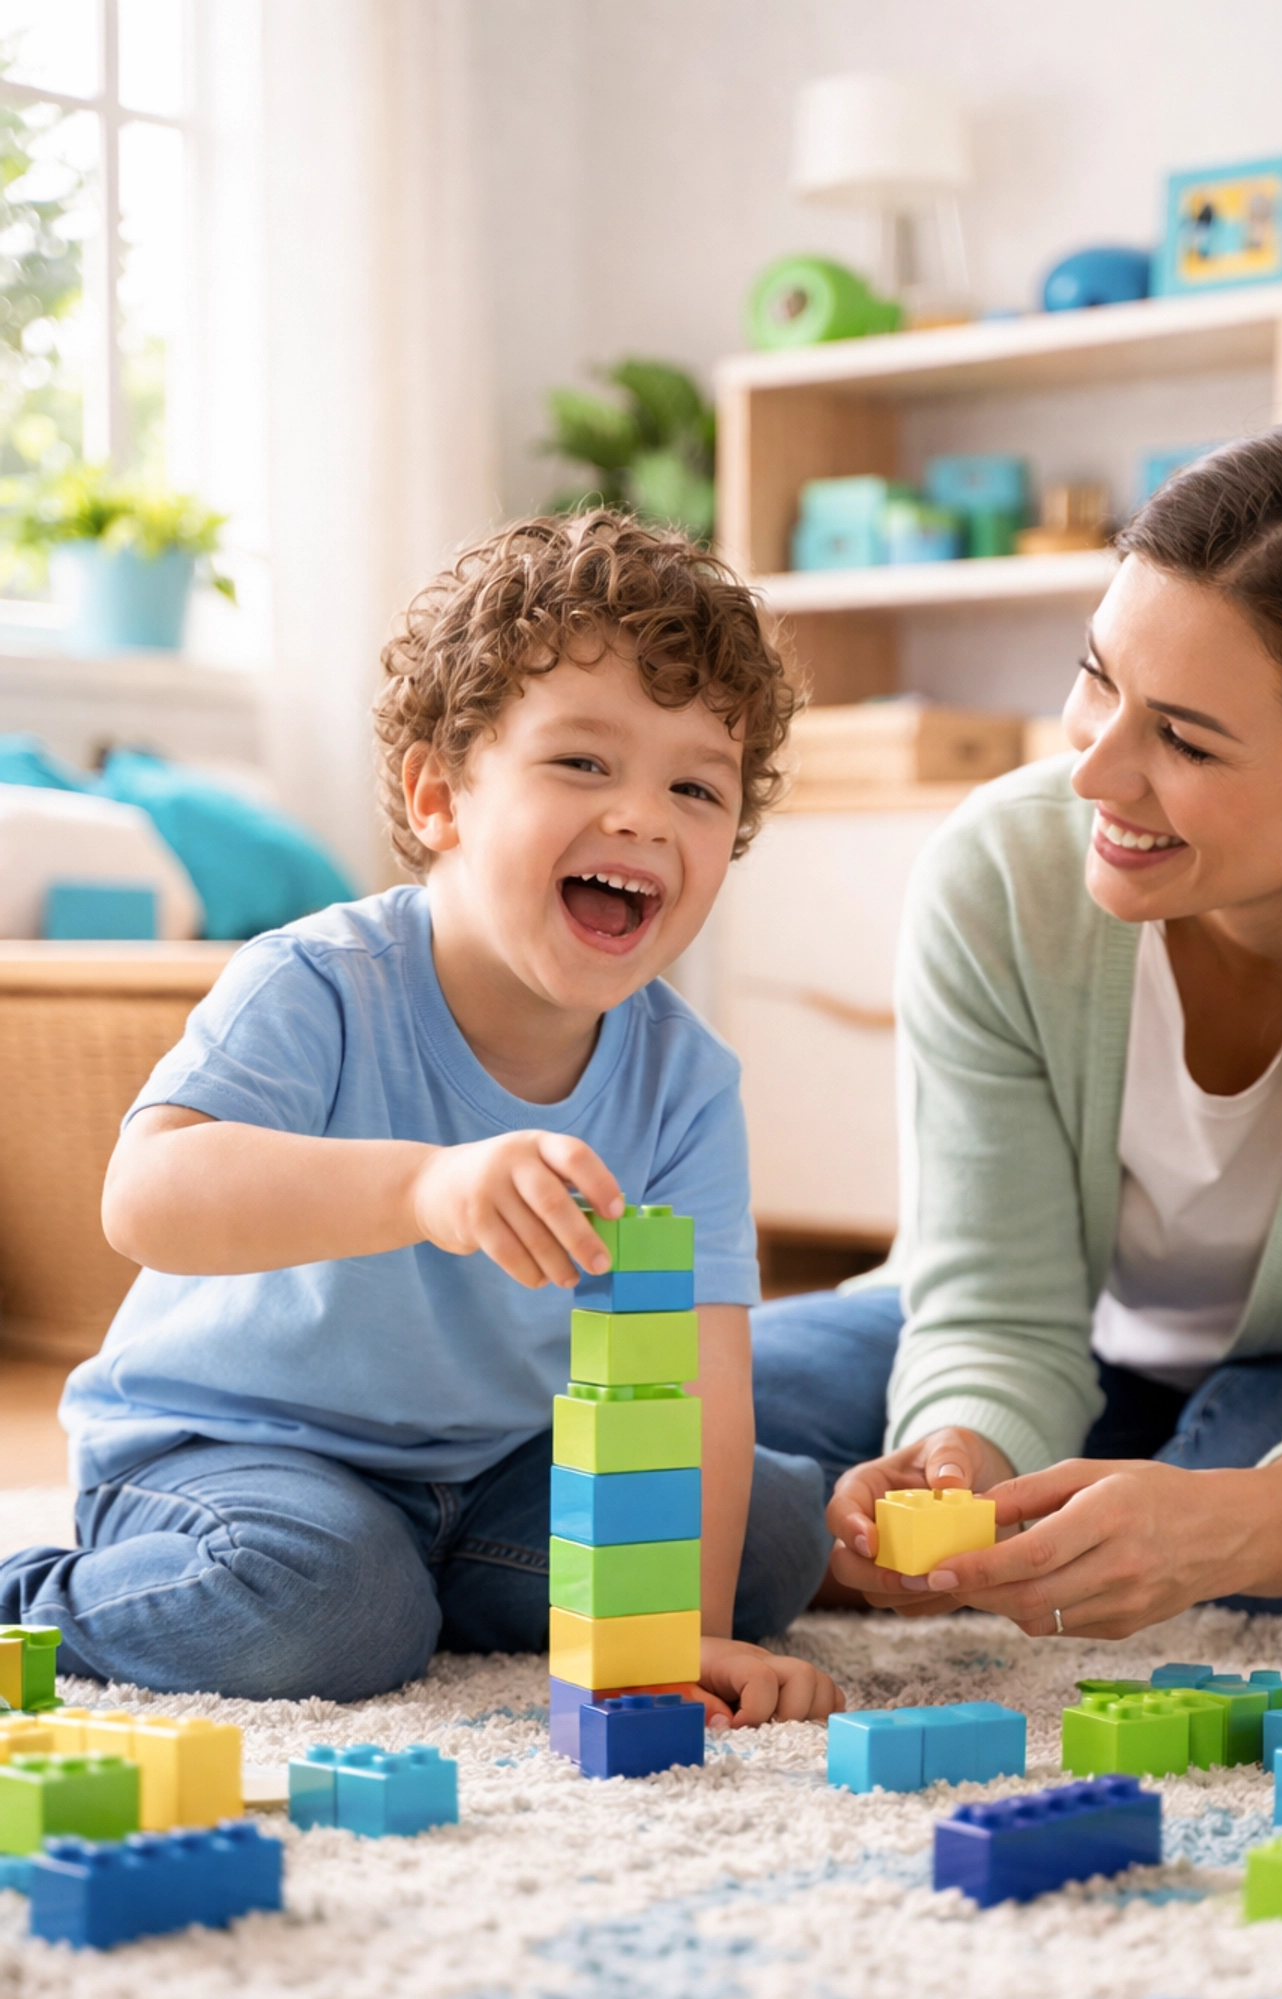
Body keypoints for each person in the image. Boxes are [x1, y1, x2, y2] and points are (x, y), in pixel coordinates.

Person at [3, 513, 839, 1717]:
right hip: (239, 1450)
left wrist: (682, 1634)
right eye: (584, 764)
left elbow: (702, 1371)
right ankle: (46, 1596)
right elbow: (148, 1200)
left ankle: (418, 1591)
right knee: (331, 1604)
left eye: (696, 786)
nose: (645, 817)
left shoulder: (685, 1078)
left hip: (493, 1474)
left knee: (771, 1530)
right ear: (440, 795)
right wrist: (421, 1188)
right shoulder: (322, 982)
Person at [756, 412, 1282, 1634]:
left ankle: (1183, 1501)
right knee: (696, 1414)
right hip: (1083, 1342)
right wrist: (958, 1463)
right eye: (1099, 679)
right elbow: (998, 1305)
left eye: (1181, 738)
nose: (1092, 772)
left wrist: (1225, 1524)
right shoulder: (1005, 874)